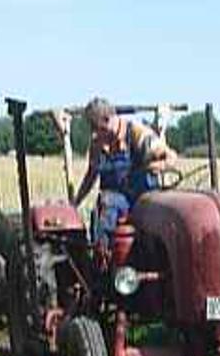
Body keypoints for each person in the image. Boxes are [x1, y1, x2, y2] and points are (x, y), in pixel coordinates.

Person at [52, 97, 179, 245]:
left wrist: (158, 166)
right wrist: (74, 203)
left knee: (109, 205)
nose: (94, 134)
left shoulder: (137, 134)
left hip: (142, 199)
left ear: (107, 120)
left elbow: (170, 157)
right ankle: (102, 257)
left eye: (96, 127)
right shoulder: (98, 145)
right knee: (105, 205)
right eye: (92, 129)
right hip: (112, 203)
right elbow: (91, 175)